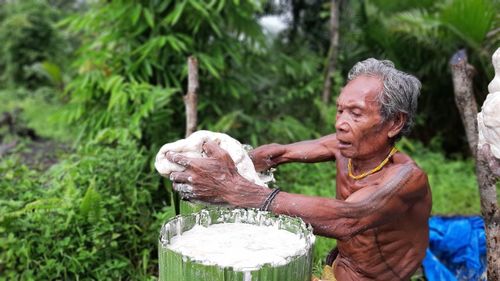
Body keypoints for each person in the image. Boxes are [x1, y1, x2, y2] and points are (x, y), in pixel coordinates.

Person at [165, 58, 432, 281]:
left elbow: (348, 220)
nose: (340, 123)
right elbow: (277, 154)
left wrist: (239, 190)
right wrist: (235, 162)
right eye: (340, 111)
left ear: (395, 122)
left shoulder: (407, 179)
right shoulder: (344, 146)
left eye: (355, 113)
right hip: (337, 271)